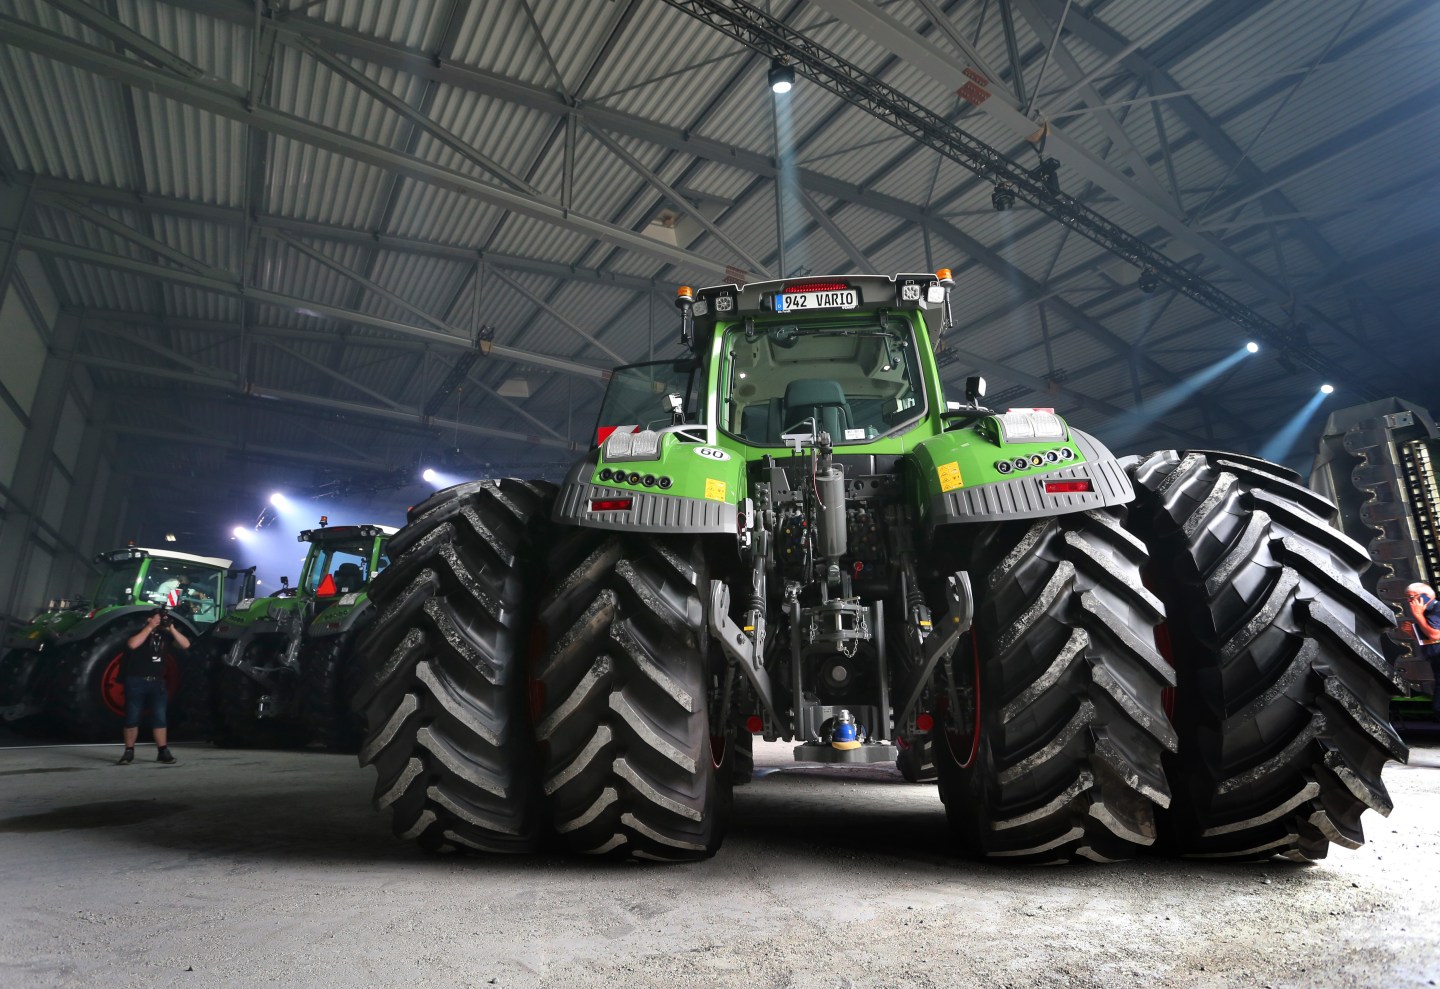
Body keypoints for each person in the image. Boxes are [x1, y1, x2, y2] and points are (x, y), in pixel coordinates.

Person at [116, 609, 190, 765]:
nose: (161, 621)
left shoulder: (166, 636)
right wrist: (149, 627)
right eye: (158, 618)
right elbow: (133, 644)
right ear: (149, 619)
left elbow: (185, 644)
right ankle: (129, 752)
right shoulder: (138, 632)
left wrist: (172, 628)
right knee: (132, 717)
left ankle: (163, 751)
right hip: (136, 681)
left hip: (157, 682)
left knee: (159, 717)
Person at [1399, 582, 1440, 719]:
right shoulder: (1428, 613)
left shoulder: (1437, 609)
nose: (1409, 601)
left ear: (1425, 596)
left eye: (1411, 597)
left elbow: (1435, 635)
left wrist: (1418, 615)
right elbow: (1429, 641)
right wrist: (1413, 634)